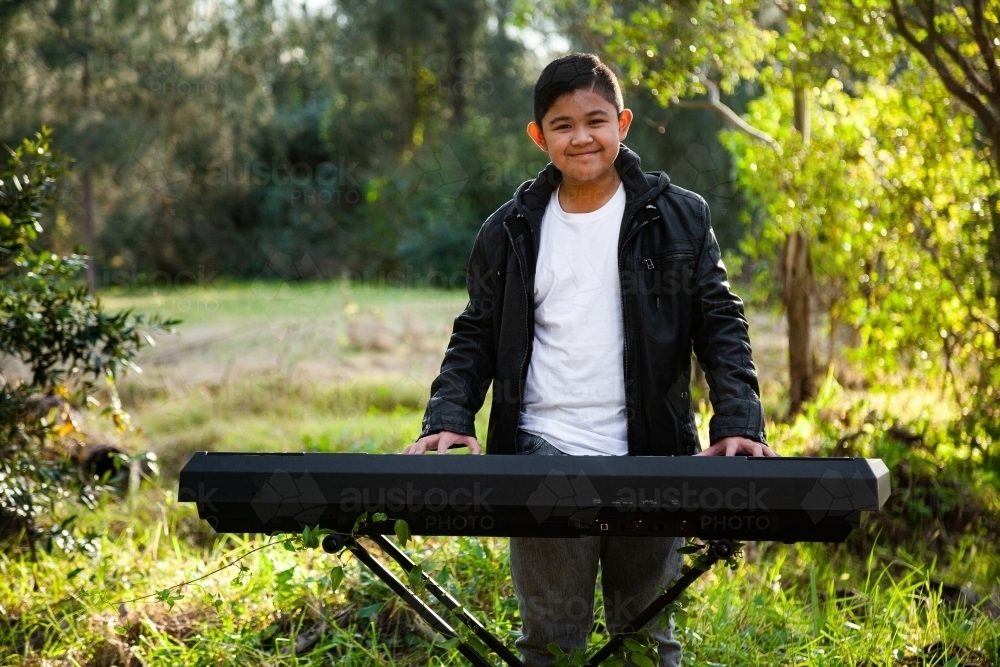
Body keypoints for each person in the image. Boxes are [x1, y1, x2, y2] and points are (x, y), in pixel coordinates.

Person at [403, 52, 775, 667]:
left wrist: (737, 421)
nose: (582, 137)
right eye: (562, 125)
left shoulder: (679, 216)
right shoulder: (510, 229)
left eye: (596, 120)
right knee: (550, 643)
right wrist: (449, 415)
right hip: (543, 454)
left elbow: (720, 324)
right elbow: (475, 332)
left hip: (652, 454)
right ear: (538, 136)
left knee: (645, 641)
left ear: (623, 123)